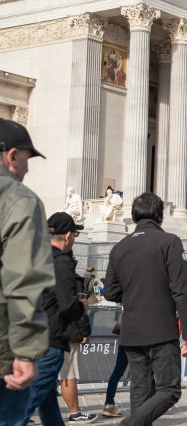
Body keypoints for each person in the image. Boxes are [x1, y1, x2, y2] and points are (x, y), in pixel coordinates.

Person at [103, 192, 187, 426]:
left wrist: (135, 292)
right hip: (161, 330)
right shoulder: (169, 242)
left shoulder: (119, 247)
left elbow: (110, 293)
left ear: (134, 216)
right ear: (159, 215)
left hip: (131, 331)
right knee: (170, 389)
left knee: (140, 391)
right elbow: (182, 291)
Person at [0, 119, 55, 424]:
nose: (27, 169)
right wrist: (25, 351)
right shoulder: (19, 200)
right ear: (10, 157)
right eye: (25, 158)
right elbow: (23, 281)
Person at [22, 212, 92, 425]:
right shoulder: (61, 261)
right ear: (68, 235)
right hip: (49, 340)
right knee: (28, 401)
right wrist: (81, 308)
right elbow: (67, 304)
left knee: (47, 400)